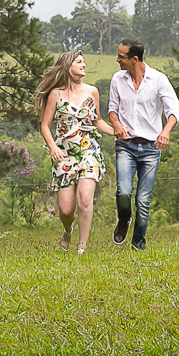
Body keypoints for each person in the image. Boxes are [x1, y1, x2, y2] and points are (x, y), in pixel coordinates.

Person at [36, 50, 116, 254]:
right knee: (66, 210)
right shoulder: (56, 94)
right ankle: (68, 230)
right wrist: (53, 148)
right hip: (63, 154)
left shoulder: (92, 92)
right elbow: (45, 125)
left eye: (84, 62)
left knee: (85, 198)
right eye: (79, 62)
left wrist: (117, 132)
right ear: (67, 66)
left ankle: (82, 247)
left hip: (88, 151)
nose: (84, 65)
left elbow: (97, 121)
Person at [108, 39, 179, 250]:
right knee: (123, 192)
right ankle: (124, 219)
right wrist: (116, 124)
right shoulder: (117, 79)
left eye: (121, 56)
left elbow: (173, 110)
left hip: (150, 149)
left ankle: (138, 244)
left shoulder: (159, 80)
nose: (117, 59)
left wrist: (166, 131)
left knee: (143, 200)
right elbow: (112, 108)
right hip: (125, 145)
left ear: (134, 59)